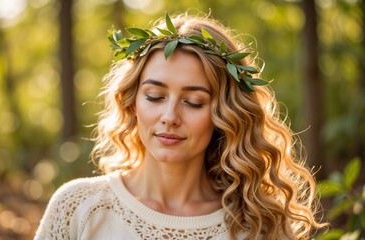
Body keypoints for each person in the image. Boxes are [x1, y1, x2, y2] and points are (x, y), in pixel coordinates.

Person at [34, 12, 325, 240]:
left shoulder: (260, 225)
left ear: (224, 114)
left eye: (194, 102)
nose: (170, 116)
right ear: (133, 102)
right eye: (155, 96)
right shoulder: (78, 207)